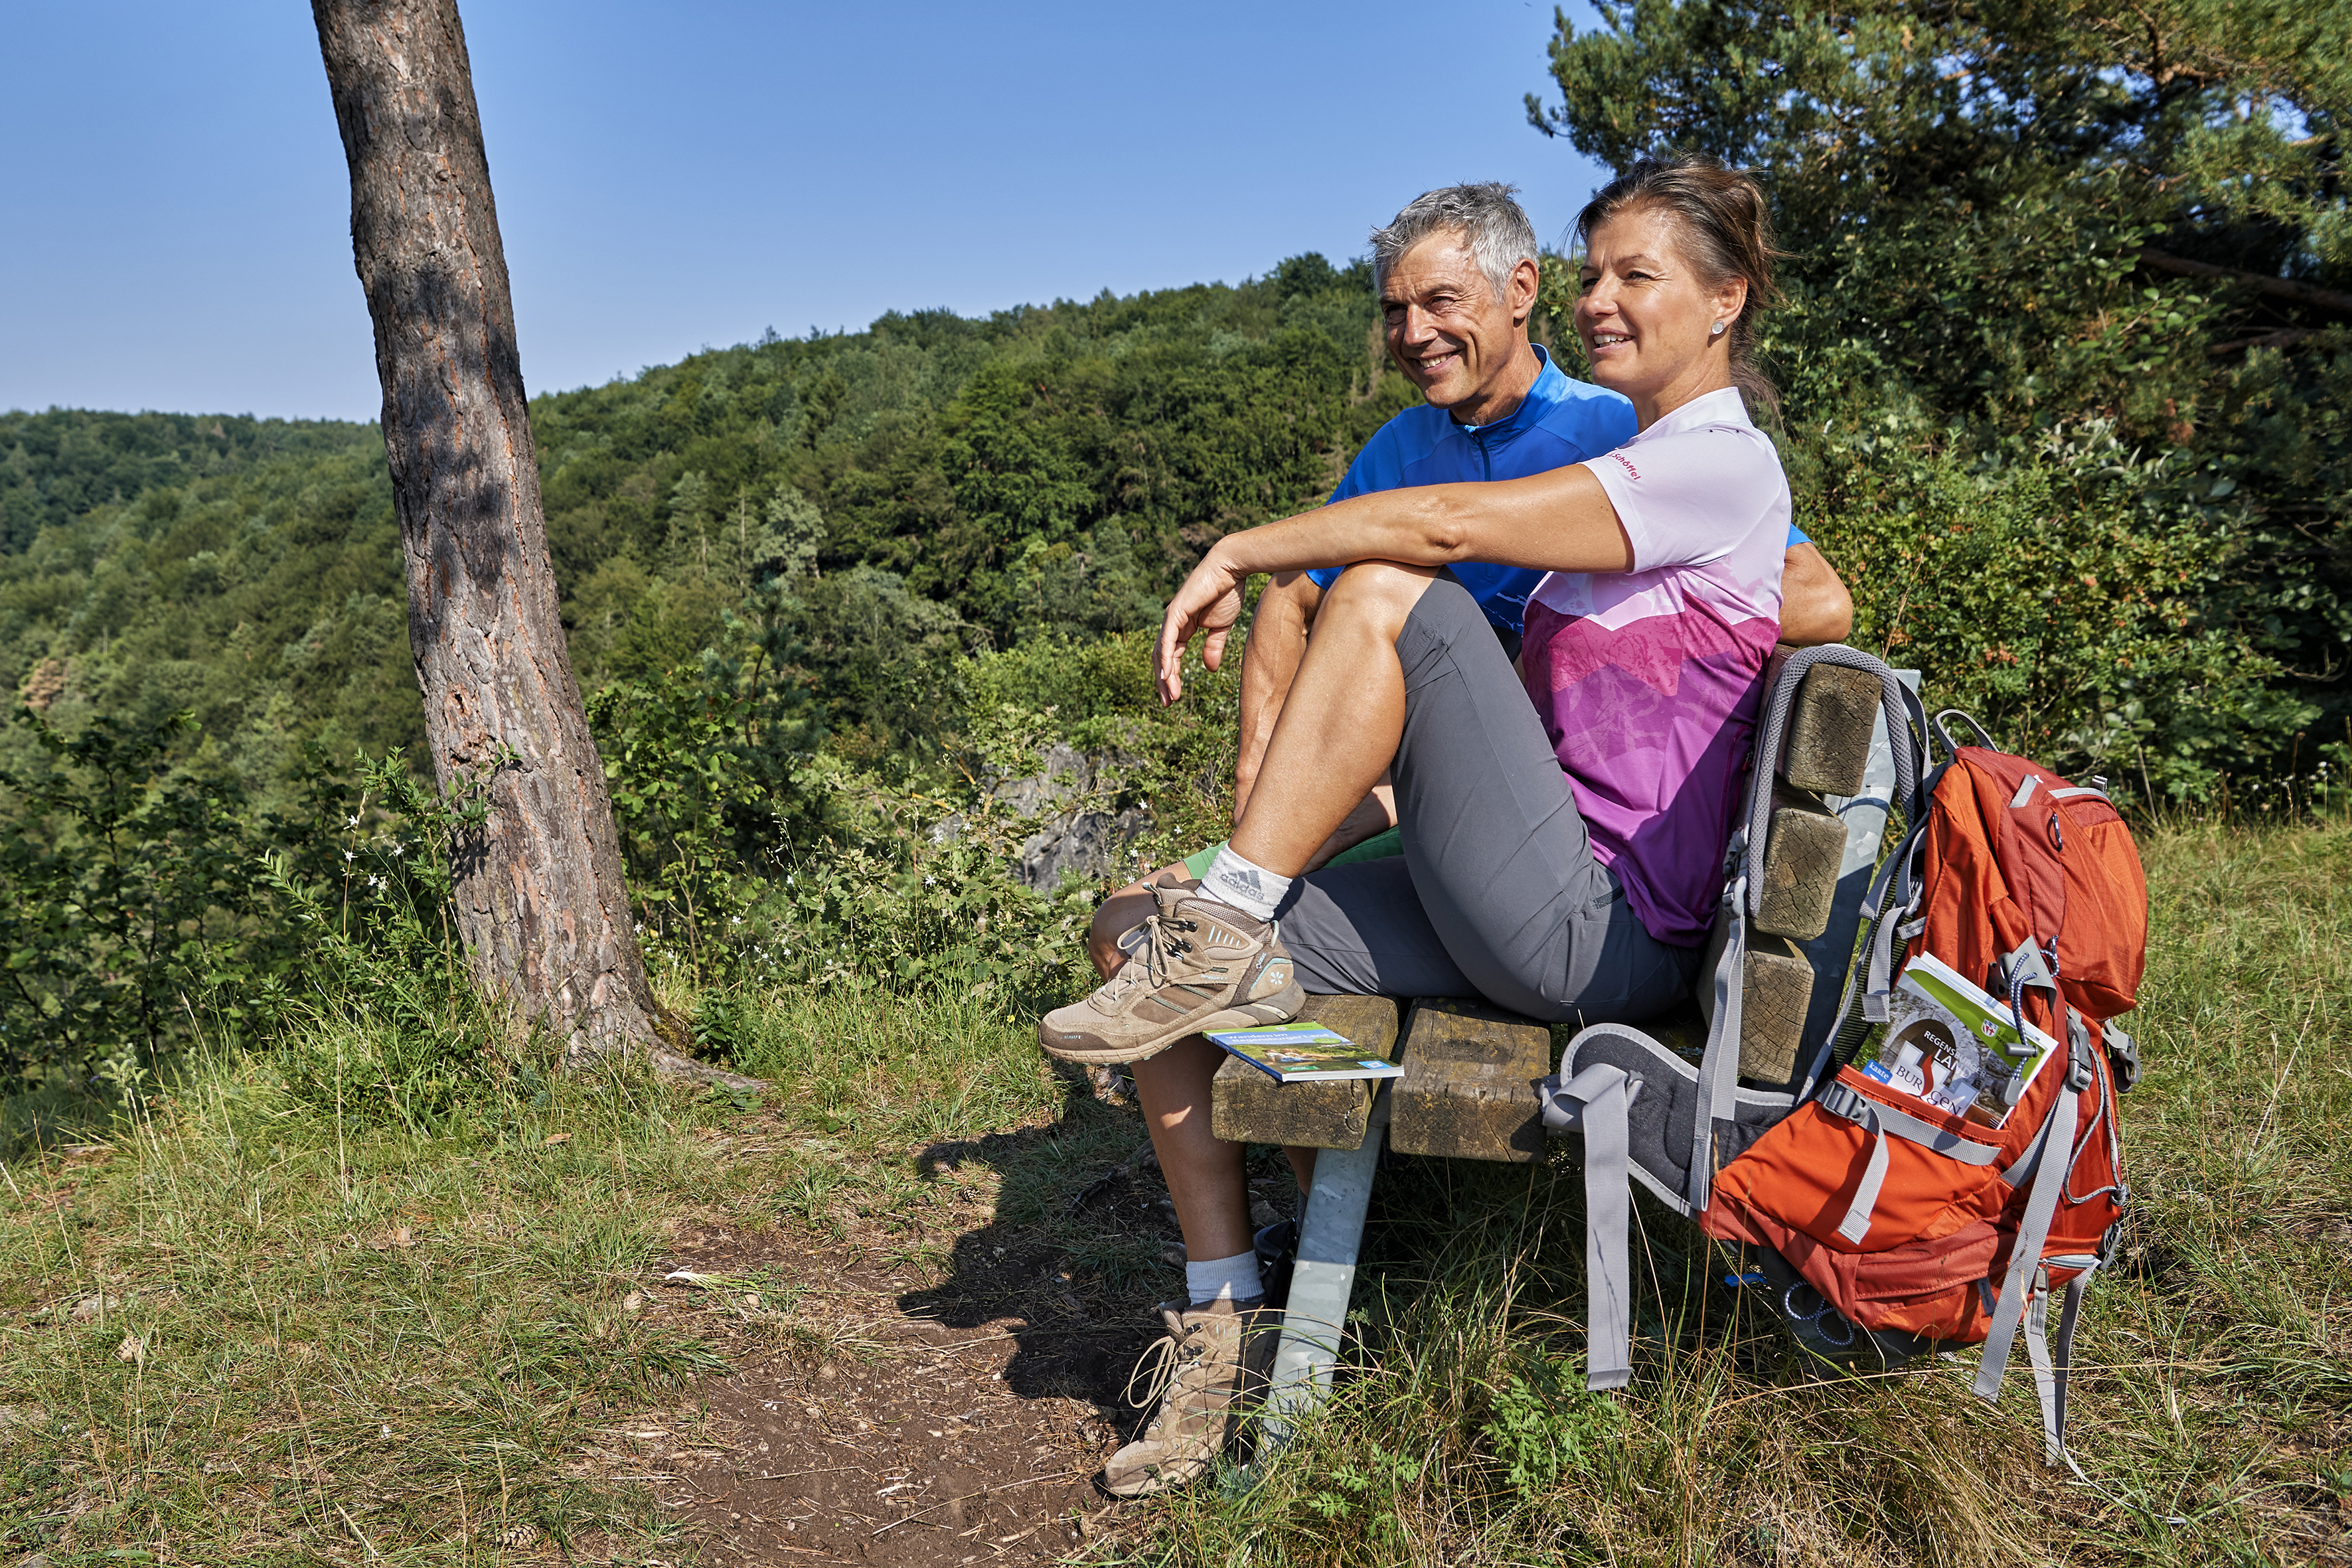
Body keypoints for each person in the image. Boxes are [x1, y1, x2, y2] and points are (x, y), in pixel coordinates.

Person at [1046, 154, 1802, 1496]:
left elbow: (1441, 539)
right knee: (1136, 940)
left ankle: (1234, 928)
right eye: (1595, 275)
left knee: (1395, 582)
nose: (1602, 301)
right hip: (1523, 881)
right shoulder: (1649, 458)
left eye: (1637, 276)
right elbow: (1498, 722)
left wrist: (1242, 547)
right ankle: (1225, 1314)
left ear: (1726, 299)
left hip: (1596, 934)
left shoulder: (1714, 465)